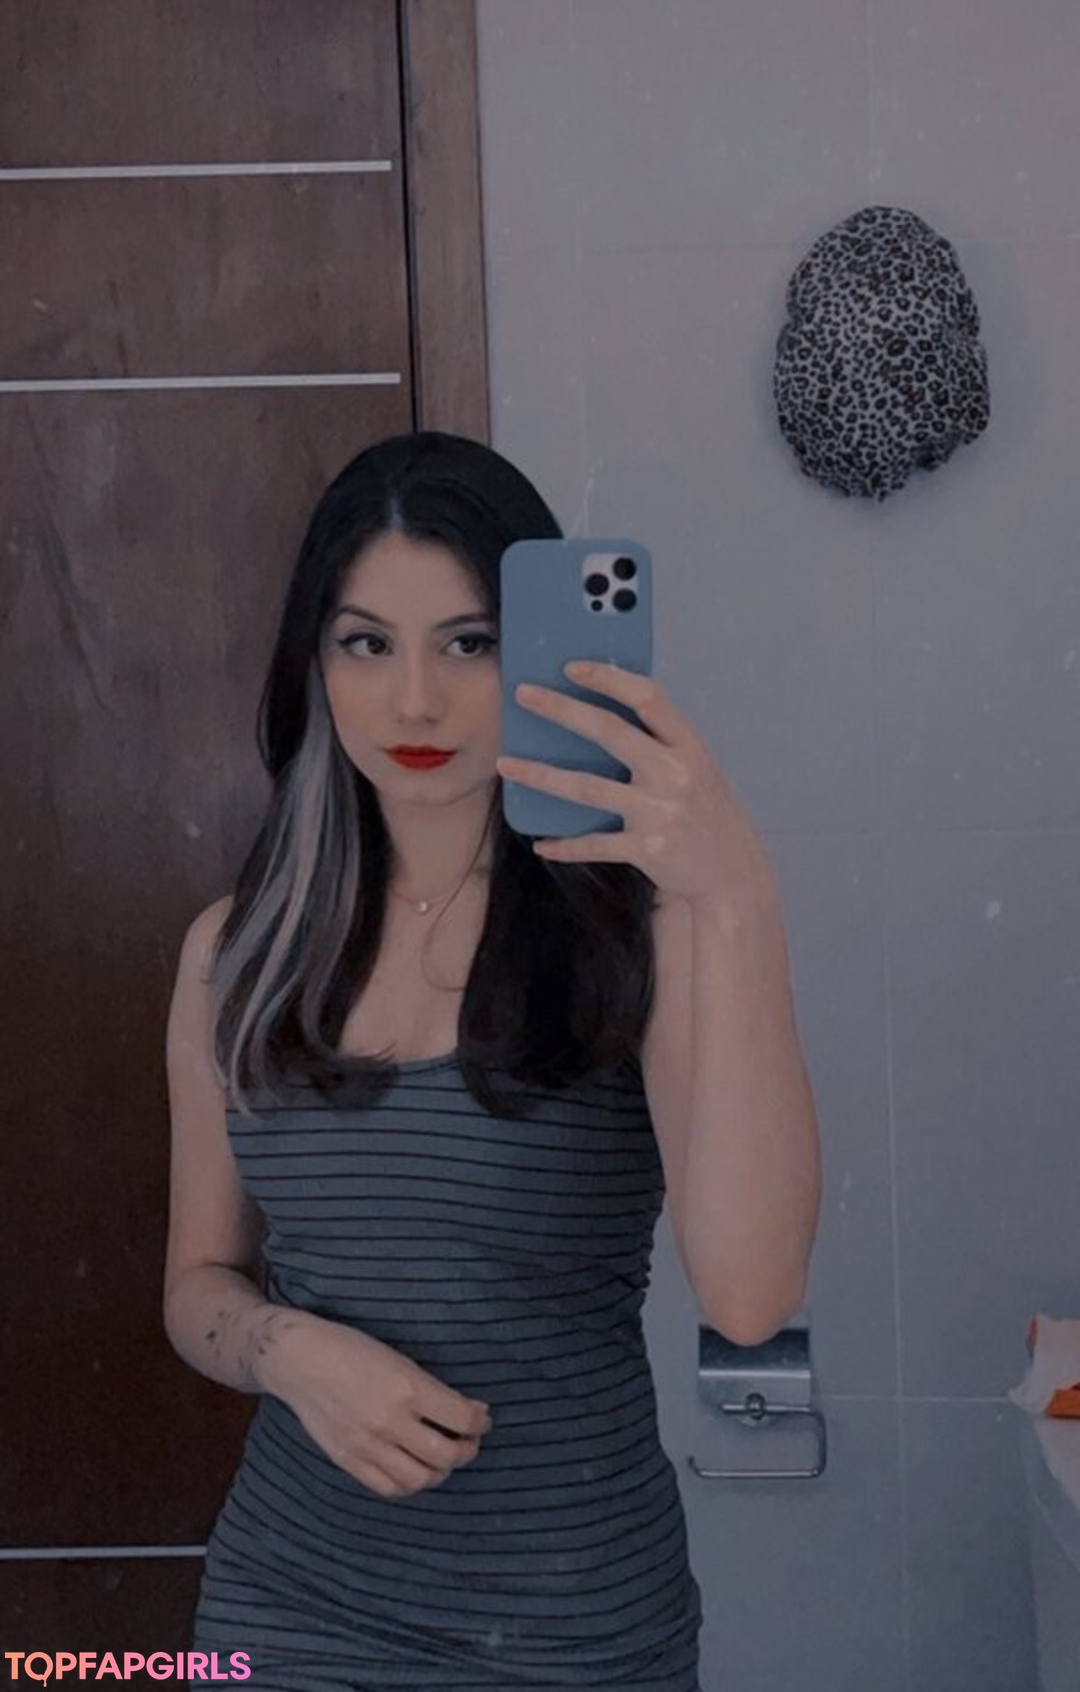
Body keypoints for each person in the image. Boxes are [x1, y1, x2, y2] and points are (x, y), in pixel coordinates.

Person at [164, 430, 821, 1691]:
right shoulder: (234, 955)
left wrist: (737, 896)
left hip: (574, 1634)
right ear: (315, 662)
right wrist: (286, 1349)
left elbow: (751, 1296)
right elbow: (197, 1280)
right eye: (368, 643)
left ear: (537, 650)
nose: (415, 701)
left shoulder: (641, 932)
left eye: (468, 641)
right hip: (286, 1608)